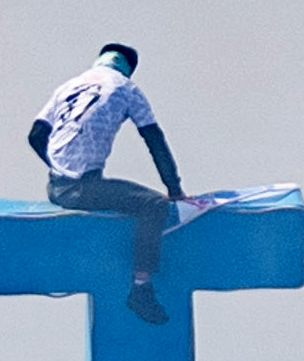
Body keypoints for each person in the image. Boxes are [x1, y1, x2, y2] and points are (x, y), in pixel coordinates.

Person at [26, 44, 186, 322]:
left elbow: (36, 135)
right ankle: (141, 288)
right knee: (154, 205)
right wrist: (174, 189)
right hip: (82, 188)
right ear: (129, 68)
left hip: (56, 187)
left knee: (103, 190)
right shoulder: (127, 89)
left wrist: (59, 168)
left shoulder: (68, 86)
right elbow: (154, 139)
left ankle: (76, 183)